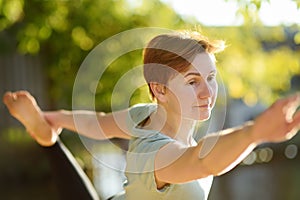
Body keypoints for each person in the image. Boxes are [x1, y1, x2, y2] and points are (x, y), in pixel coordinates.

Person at [3, 30, 300, 200]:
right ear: (159, 89)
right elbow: (202, 160)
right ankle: (48, 141)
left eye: (210, 77)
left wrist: (54, 117)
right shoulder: (156, 154)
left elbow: (100, 123)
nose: (208, 92)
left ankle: (46, 135)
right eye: (192, 82)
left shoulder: (146, 115)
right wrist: (254, 132)